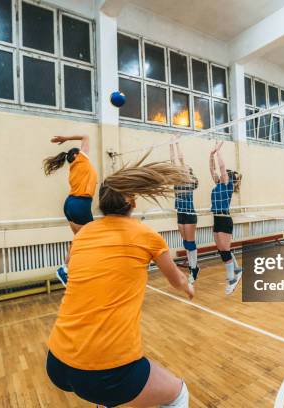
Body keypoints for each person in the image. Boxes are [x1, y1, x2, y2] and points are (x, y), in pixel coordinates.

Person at [46, 153, 194, 408]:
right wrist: (188, 286)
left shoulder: (83, 234)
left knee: (107, 398)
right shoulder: (147, 236)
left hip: (57, 362)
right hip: (106, 373)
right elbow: (177, 279)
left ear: (102, 203)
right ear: (132, 201)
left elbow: (70, 267)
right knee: (178, 395)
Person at [43, 135, 96, 286]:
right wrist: (66, 138)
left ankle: (67, 269)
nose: (84, 151)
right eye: (80, 151)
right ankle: (81, 270)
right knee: (91, 238)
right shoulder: (81, 159)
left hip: (71, 204)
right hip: (80, 203)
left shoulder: (76, 168)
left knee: (80, 239)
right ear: (75, 155)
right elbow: (86, 136)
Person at [209, 141, 243, 295]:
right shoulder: (218, 184)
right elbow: (212, 169)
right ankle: (237, 269)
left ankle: (232, 279)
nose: (222, 175)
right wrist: (211, 155)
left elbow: (222, 168)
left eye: (225, 174)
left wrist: (218, 152)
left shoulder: (228, 185)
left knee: (224, 251)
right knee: (222, 249)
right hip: (217, 219)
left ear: (228, 178)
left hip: (224, 219)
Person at [170, 140, 200, 284]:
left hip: (189, 214)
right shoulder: (177, 181)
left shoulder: (189, 181)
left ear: (189, 173)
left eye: (186, 168)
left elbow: (181, 161)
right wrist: (170, 145)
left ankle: (194, 270)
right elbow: (173, 163)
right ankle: (192, 265)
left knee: (189, 242)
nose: (182, 168)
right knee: (185, 242)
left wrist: (177, 144)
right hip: (180, 213)